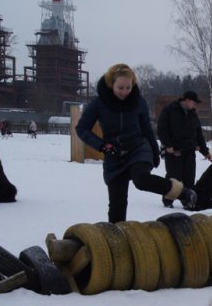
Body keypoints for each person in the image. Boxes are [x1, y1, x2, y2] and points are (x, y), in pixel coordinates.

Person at [76, 63, 196, 222]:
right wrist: (102, 145)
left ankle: (182, 193)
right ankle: (117, 239)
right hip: (114, 155)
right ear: (111, 83)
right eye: (120, 87)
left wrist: (154, 151)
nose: (125, 92)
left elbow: (146, 128)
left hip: (138, 149)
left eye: (128, 87)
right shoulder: (99, 103)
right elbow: (82, 128)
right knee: (117, 206)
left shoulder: (138, 101)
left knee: (141, 179)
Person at [157, 90, 212, 208]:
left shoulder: (193, 114)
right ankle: (168, 200)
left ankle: (188, 200)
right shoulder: (169, 110)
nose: (195, 105)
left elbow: (199, 134)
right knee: (174, 177)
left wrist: (205, 151)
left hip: (189, 150)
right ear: (187, 100)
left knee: (189, 177)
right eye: (194, 102)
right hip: (174, 151)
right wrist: (168, 145)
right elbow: (162, 129)